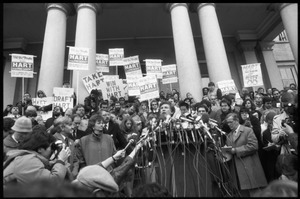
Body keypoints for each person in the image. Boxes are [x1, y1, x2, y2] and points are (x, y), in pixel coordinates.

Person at [3, 127, 71, 187]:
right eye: (50, 147)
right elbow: (52, 183)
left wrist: (54, 163)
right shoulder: (27, 161)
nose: (51, 150)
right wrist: (60, 161)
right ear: (40, 149)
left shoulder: (24, 157)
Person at [223, 113, 267, 197]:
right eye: (227, 123)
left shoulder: (247, 130)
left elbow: (254, 146)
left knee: (255, 193)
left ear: (237, 121)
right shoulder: (229, 136)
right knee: (242, 193)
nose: (229, 124)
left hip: (250, 168)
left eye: (230, 122)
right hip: (237, 172)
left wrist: (236, 150)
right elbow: (230, 152)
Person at [261, 111, 281, 183]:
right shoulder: (265, 132)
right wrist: (268, 145)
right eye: (270, 122)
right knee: (271, 175)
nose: (271, 124)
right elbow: (264, 144)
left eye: (273, 122)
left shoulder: (280, 130)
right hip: (270, 157)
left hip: (279, 155)